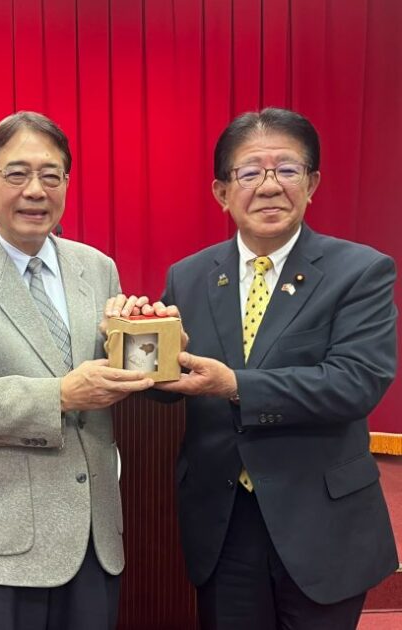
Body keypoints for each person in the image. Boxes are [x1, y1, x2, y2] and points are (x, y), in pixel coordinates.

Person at [151, 108, 398, 629]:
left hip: (320, 523)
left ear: (312, 184)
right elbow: (169, 385)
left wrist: (234, 385)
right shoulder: (188, 276)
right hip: (223, 523)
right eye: (250, 172)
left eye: (287, 169)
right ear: (222, 192)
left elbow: (355, 383)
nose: (269, 186)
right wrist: (137, 346)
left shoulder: (360, 271)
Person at [0, 111, 157, 630]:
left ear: (67, 185)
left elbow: (119, 366)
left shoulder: (96, 267)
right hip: (0, 544)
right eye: (17, 174)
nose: (35, 190)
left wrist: (153, 342)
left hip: (95, 540)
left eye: (51, 175)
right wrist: (61, 394)